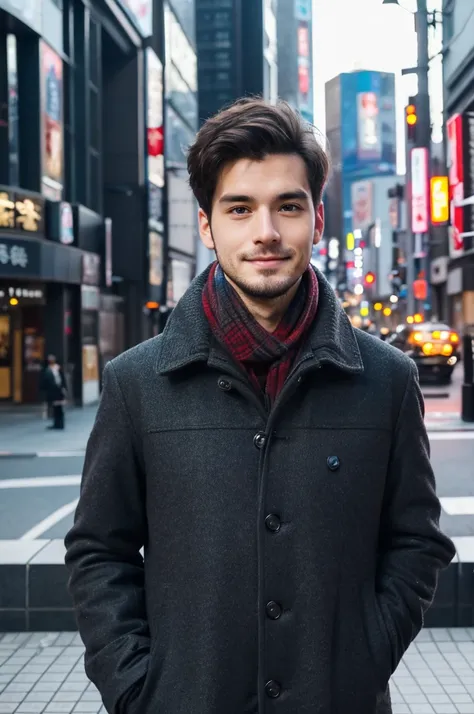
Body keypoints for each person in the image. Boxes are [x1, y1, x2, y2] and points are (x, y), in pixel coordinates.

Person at [65, 98, 455, 714]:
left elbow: (417, 541)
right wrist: (139, 690)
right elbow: (98, 551)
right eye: (240, 208)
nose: (266, 232)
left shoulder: (386, 379)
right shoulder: (136, 382)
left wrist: (365, 655)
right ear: (206, 224)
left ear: (318, 220)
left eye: (288, 206)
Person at [41, 354, 67, 429]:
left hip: (58, 391)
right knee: (55, 409)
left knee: (59, 408)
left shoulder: (57, 368)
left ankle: (60, 424)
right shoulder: (47, 369)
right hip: (53, 391)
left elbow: (62, 379)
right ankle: (57, 424)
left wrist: (63, 388)